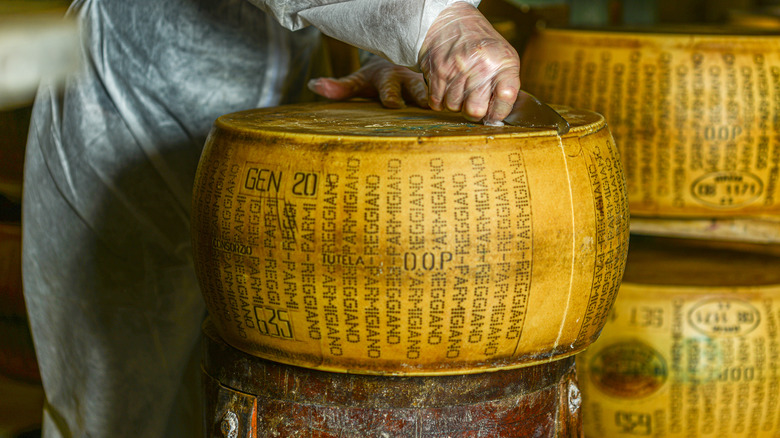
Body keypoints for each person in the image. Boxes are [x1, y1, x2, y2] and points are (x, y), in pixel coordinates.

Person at [22, 0, 520, 436]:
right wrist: (431, 21)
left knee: (255, 388)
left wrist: (386, 48)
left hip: (284, 107)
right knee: (116, 395)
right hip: (134, 90)